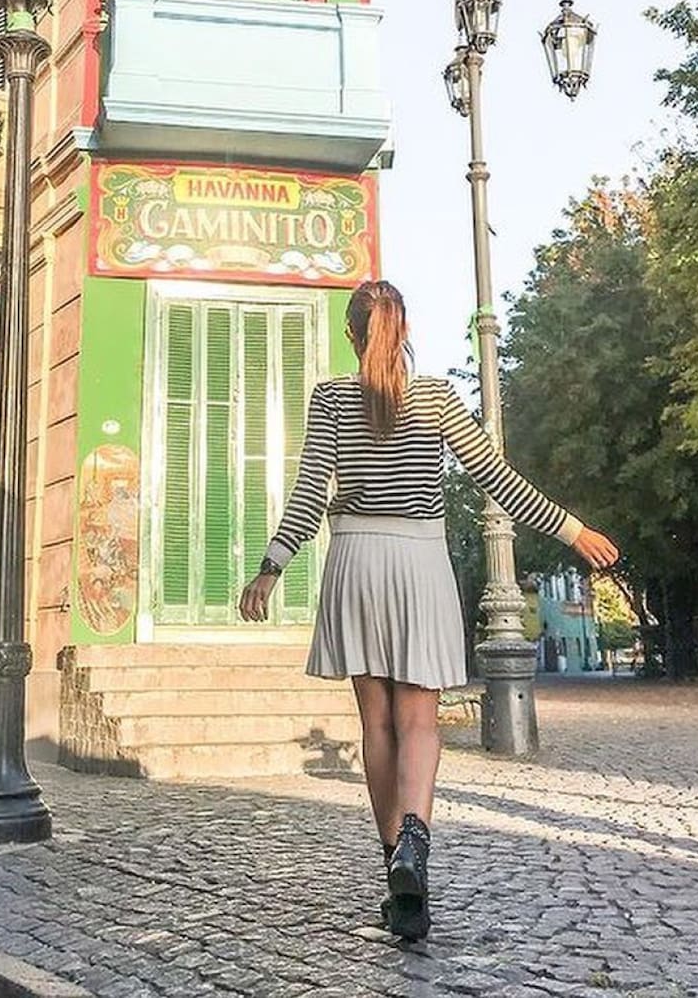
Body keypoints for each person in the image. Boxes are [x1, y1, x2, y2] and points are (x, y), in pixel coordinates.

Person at [239, 279, 619, 942]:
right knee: (419, 720)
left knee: (377, 724)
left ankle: (395, 869)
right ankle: (416, 843)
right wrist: (571, 529)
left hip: (355, 560)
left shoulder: (330, 398)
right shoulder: (437, 397)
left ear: (352, 334)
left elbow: (308, 494)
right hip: (419, 562)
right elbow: (497, 479)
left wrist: (271, 567)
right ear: (404, 330)